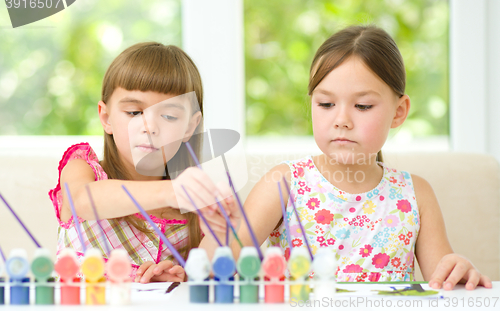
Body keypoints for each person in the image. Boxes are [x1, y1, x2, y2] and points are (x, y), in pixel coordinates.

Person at [213, 25, 492, 290]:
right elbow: (215, 266)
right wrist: (217, 229)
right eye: (326, 104)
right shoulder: (283, 183)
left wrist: (458, 269)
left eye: (362, 106)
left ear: (399, 111)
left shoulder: (416, 194)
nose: (342, 120)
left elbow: (442, 282)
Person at [49, 42, 236, 283]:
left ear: (190, 126)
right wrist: (171, 191)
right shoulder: (84, 169)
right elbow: (82, 202)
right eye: (134, 113)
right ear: (106, 118)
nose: (149, 127)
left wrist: (179, 277)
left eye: (169, 116)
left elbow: (208, 277)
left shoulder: (192, 212)